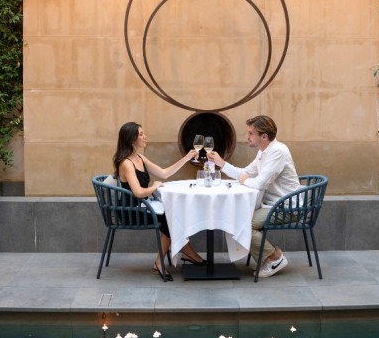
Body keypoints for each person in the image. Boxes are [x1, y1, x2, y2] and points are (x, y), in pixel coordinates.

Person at [207, 115, 300, 278]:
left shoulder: (278, 152)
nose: (247, 136)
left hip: (287, 207)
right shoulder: (263, 152)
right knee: (237, 218)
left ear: (264, 136)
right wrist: (221, 163)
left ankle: (274, 258)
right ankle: (269, 256)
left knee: (243, 223)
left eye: (251, 133)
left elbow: (259, 183)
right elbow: (245, 173)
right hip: (272, 204)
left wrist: (245, 180)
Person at [113, 121, 208, 281]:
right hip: (131, 210)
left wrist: (186, 158)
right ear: (131, 139)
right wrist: (154, 187)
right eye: (141, 134)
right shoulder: (126, 163)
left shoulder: (140, 158)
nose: (145, 136)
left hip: (142, 206)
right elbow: (138, 192)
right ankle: (163, 261)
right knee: (169, 217)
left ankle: (184, 252)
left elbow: (164, 173)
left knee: (173, 213)